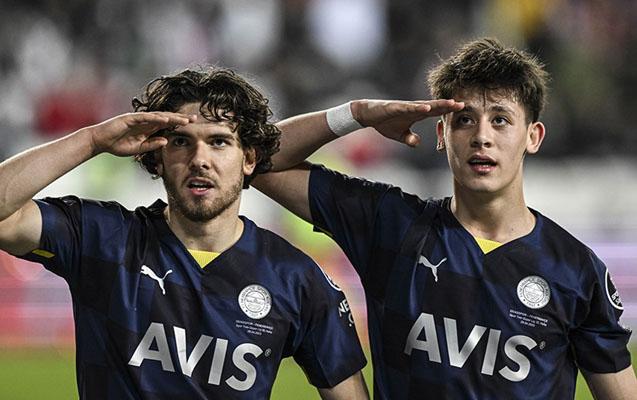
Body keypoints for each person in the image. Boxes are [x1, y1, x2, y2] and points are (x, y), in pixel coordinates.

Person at [254, 38, 637, 399]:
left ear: (533, 136)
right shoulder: (391, 225)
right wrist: (355, 114)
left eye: (500, 120)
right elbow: (256, 160)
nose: (482, 137)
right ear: (442, 133)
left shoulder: (575, 270)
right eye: (465, 119)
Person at [0, 67, 369, 399]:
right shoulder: (103, 239)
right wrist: (92, 140)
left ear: (249, 159)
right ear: (157, 158)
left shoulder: (296, 279)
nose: (199, 159)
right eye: (181, 141)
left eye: (219, 141)